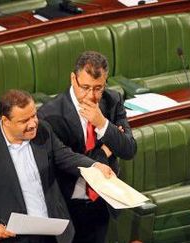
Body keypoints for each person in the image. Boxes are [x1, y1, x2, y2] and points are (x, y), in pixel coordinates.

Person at [0, 89, 115, 243]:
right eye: (24, 121)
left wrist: (94, 165)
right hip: (12, 237)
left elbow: (66, 156)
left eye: (34, 116)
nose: (33, 124)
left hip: (52, 233)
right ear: (5, 121)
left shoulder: (43, 130)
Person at [38, 51, 137, 243]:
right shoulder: (50, 115)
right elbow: (67, 161)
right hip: (67, 205)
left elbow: (129, 149)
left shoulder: (112, 100)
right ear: (73, 79)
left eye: (98, 88)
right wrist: (104, 151)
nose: (91, 96)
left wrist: (102, 123)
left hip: (102, 200)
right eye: (85, 87)